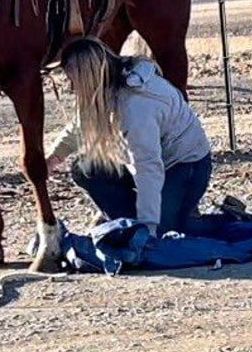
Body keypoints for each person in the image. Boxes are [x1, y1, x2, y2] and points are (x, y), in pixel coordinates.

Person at [45, 37, 213, 237]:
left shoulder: (135, 107)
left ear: (88, 78)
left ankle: (229, 220)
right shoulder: (109, 86)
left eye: (73, 81)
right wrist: (53, 157)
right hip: (154, 162)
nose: (72, 89)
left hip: (186, 166)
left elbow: (147, 168)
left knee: (166, 234)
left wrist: (148, 227)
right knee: (85, 169)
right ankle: (132, 224)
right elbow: (80, 125)